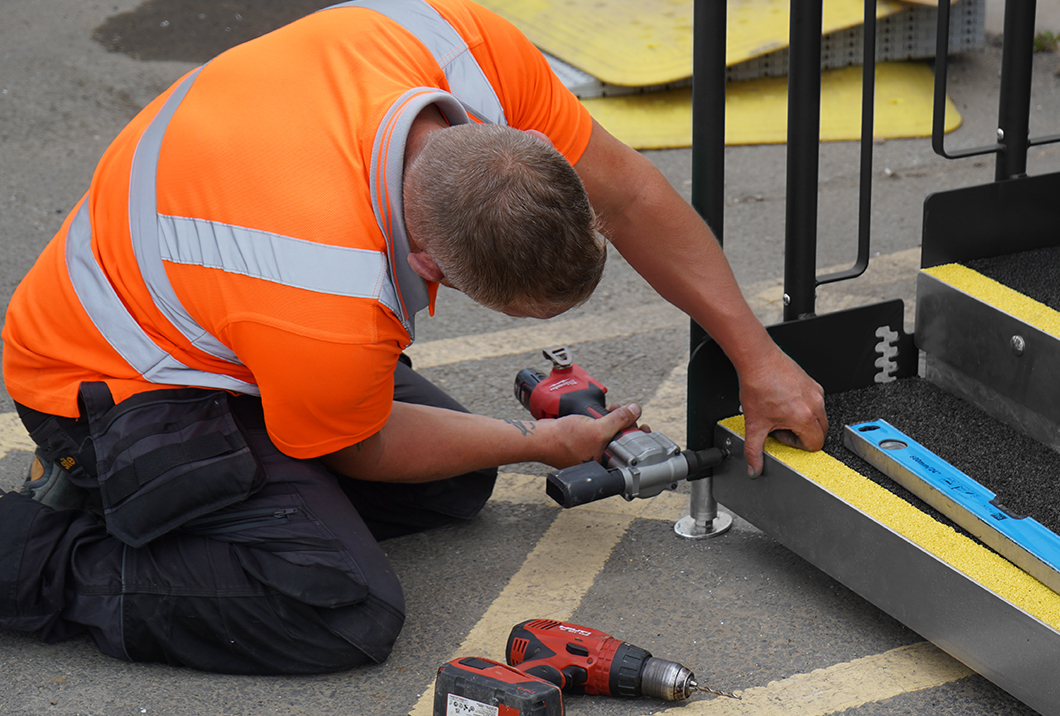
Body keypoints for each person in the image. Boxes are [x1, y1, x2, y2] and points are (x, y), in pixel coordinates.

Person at [0, 0, 826, 674]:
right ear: (433, 261)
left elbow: (635, 198)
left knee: (448, 488)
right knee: (336, 607)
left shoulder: (473, 52)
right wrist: (536, 442)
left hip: (220, 315)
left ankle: (203, 504)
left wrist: (760, 357)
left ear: (530, 145)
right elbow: (364, 445)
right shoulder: (323, 285)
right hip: (111, 378)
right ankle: (52, 549)